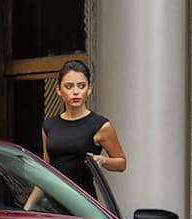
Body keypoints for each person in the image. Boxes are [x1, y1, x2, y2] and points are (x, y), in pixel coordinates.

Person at [24, 60, 126, 210]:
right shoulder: (49, 126)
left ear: (89, 89)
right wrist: (28, 207)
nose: (76, 92)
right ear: (58, 90)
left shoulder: (101, 126)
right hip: (53, 206)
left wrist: (103, 160)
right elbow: (47, 170)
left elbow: (122, 163)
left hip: (84, 207)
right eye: (69, 86)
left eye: (81, 86)